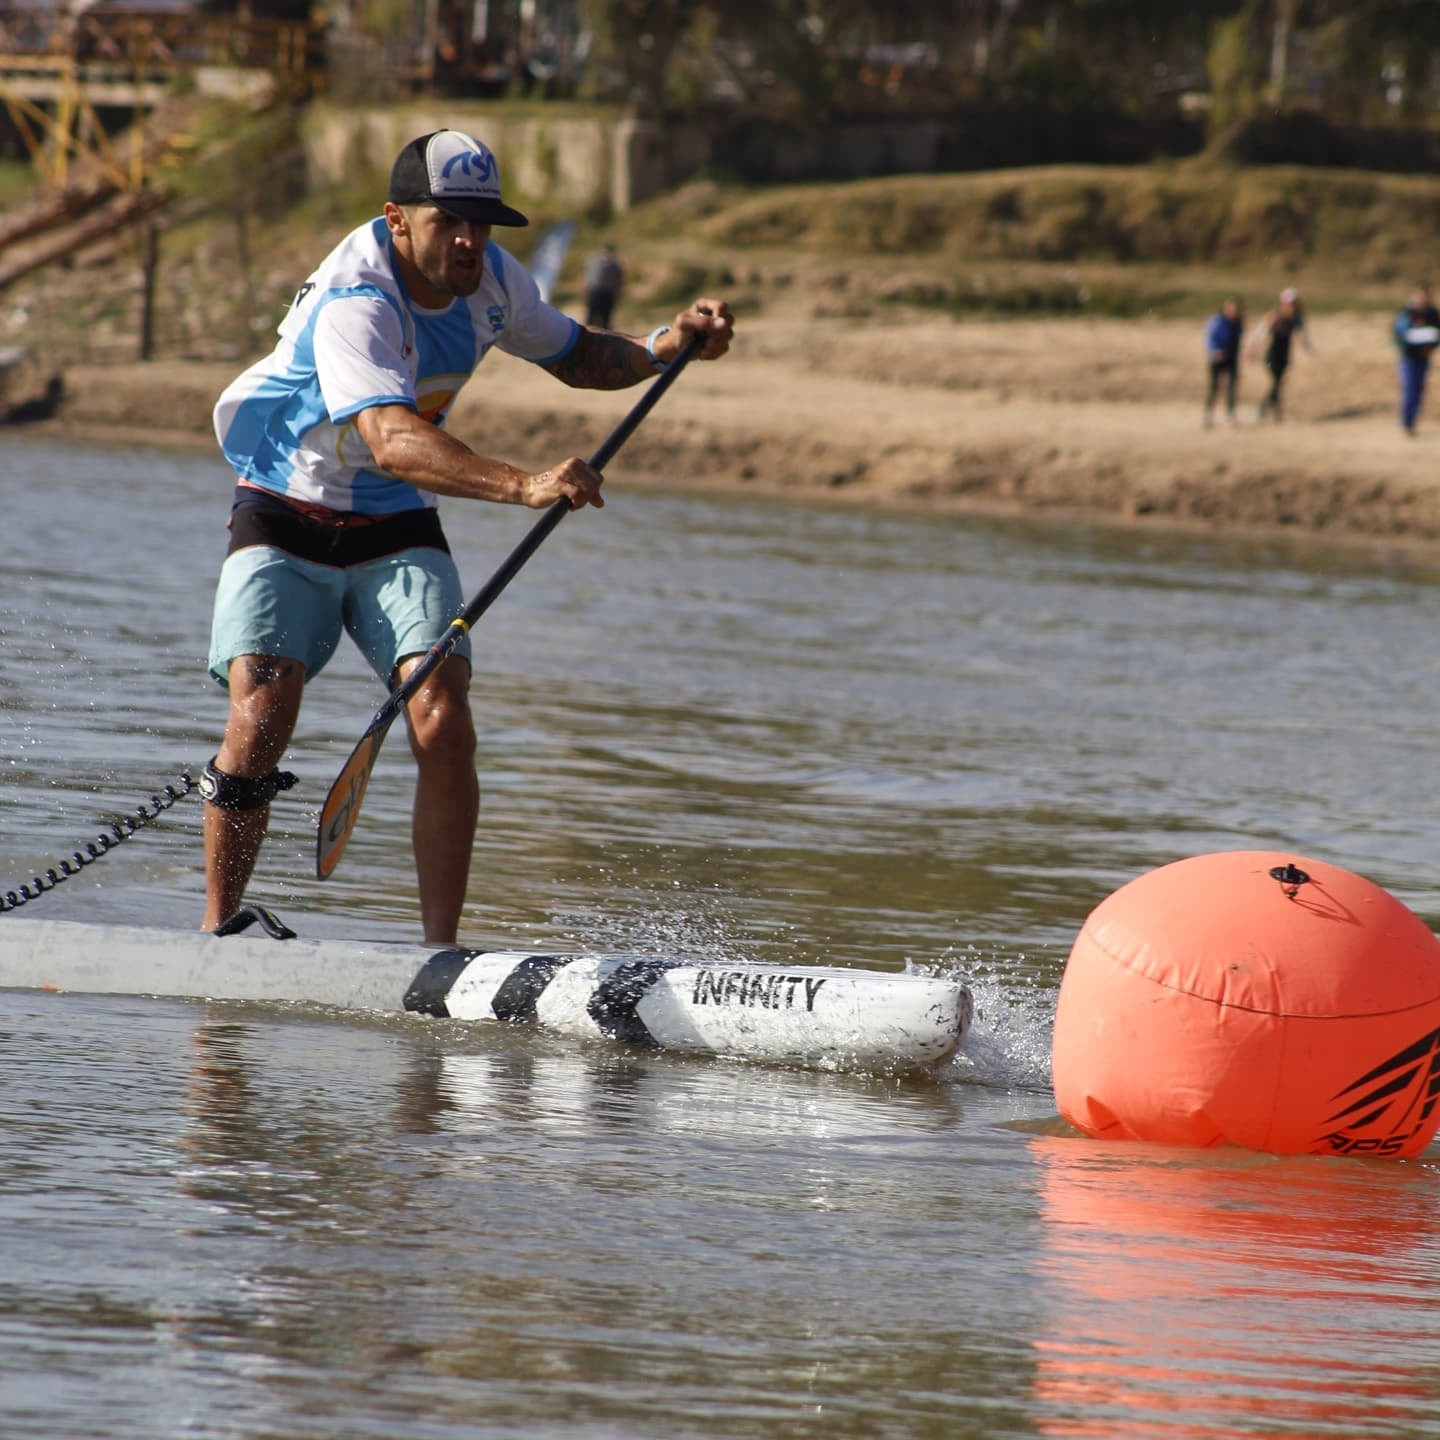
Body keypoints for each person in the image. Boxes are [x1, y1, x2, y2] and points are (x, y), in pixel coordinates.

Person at [201, 129, 734, 943]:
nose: (469, 241)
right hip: (286, 504)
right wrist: (524, 484)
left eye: (482, 224)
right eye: (449, 221)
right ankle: (217, 935)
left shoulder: (489, 280)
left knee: (443, 715)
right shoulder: (359, 298)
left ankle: (440, 956)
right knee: (264, 713)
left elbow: (582, 354)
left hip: (396, 519)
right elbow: (391, 438)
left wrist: (669, 344)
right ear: (397, 220)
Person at [1250, 286, 1312, 422]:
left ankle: (1271, 408)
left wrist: (1308, 348)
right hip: (1271, 355)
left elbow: (1303, 336)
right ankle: (1272, 409)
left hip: (1285, 355)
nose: (1290, 306)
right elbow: (1260, 333)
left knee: (1279, 383)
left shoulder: (1296, 319)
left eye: (1292, 303)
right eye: (1288, 303)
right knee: (1277, 382)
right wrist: (1253, 349)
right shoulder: (1273, 316)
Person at [1392, 282, 1440, 436]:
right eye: (1419, 295)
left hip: (1424, 357)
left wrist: (1431, 347)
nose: (1422, 298)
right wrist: (1405, 347)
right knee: (1410, 388)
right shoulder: (1407, 312)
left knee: (1419, 390)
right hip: (1409, 358)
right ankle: (1406, 422)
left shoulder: (1432, 313)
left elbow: (1437, 334)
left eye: (1425, 295)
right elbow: (1398, 335)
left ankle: (1412, 422)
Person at [1202, 296, 1244, 428]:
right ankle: (1208, 416)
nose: (1232, 312)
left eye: (1234, 309)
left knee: (1232, 388)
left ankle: (1229, 416)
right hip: (1217, 357)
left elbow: (1238, 341)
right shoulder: (1217, 321)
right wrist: (1214, 351)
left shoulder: (1239, 323)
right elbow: (1210, 337)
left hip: (1232, 358)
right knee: (1214, 388)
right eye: (1229, 309)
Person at [583, 242, 624, 328]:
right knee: (591, 317)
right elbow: (587, 276)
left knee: (606, 319)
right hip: (594, 292)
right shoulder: (593, 261)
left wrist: (619, 291)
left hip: (608, 293)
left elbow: (619, 280)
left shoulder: (615, 265)